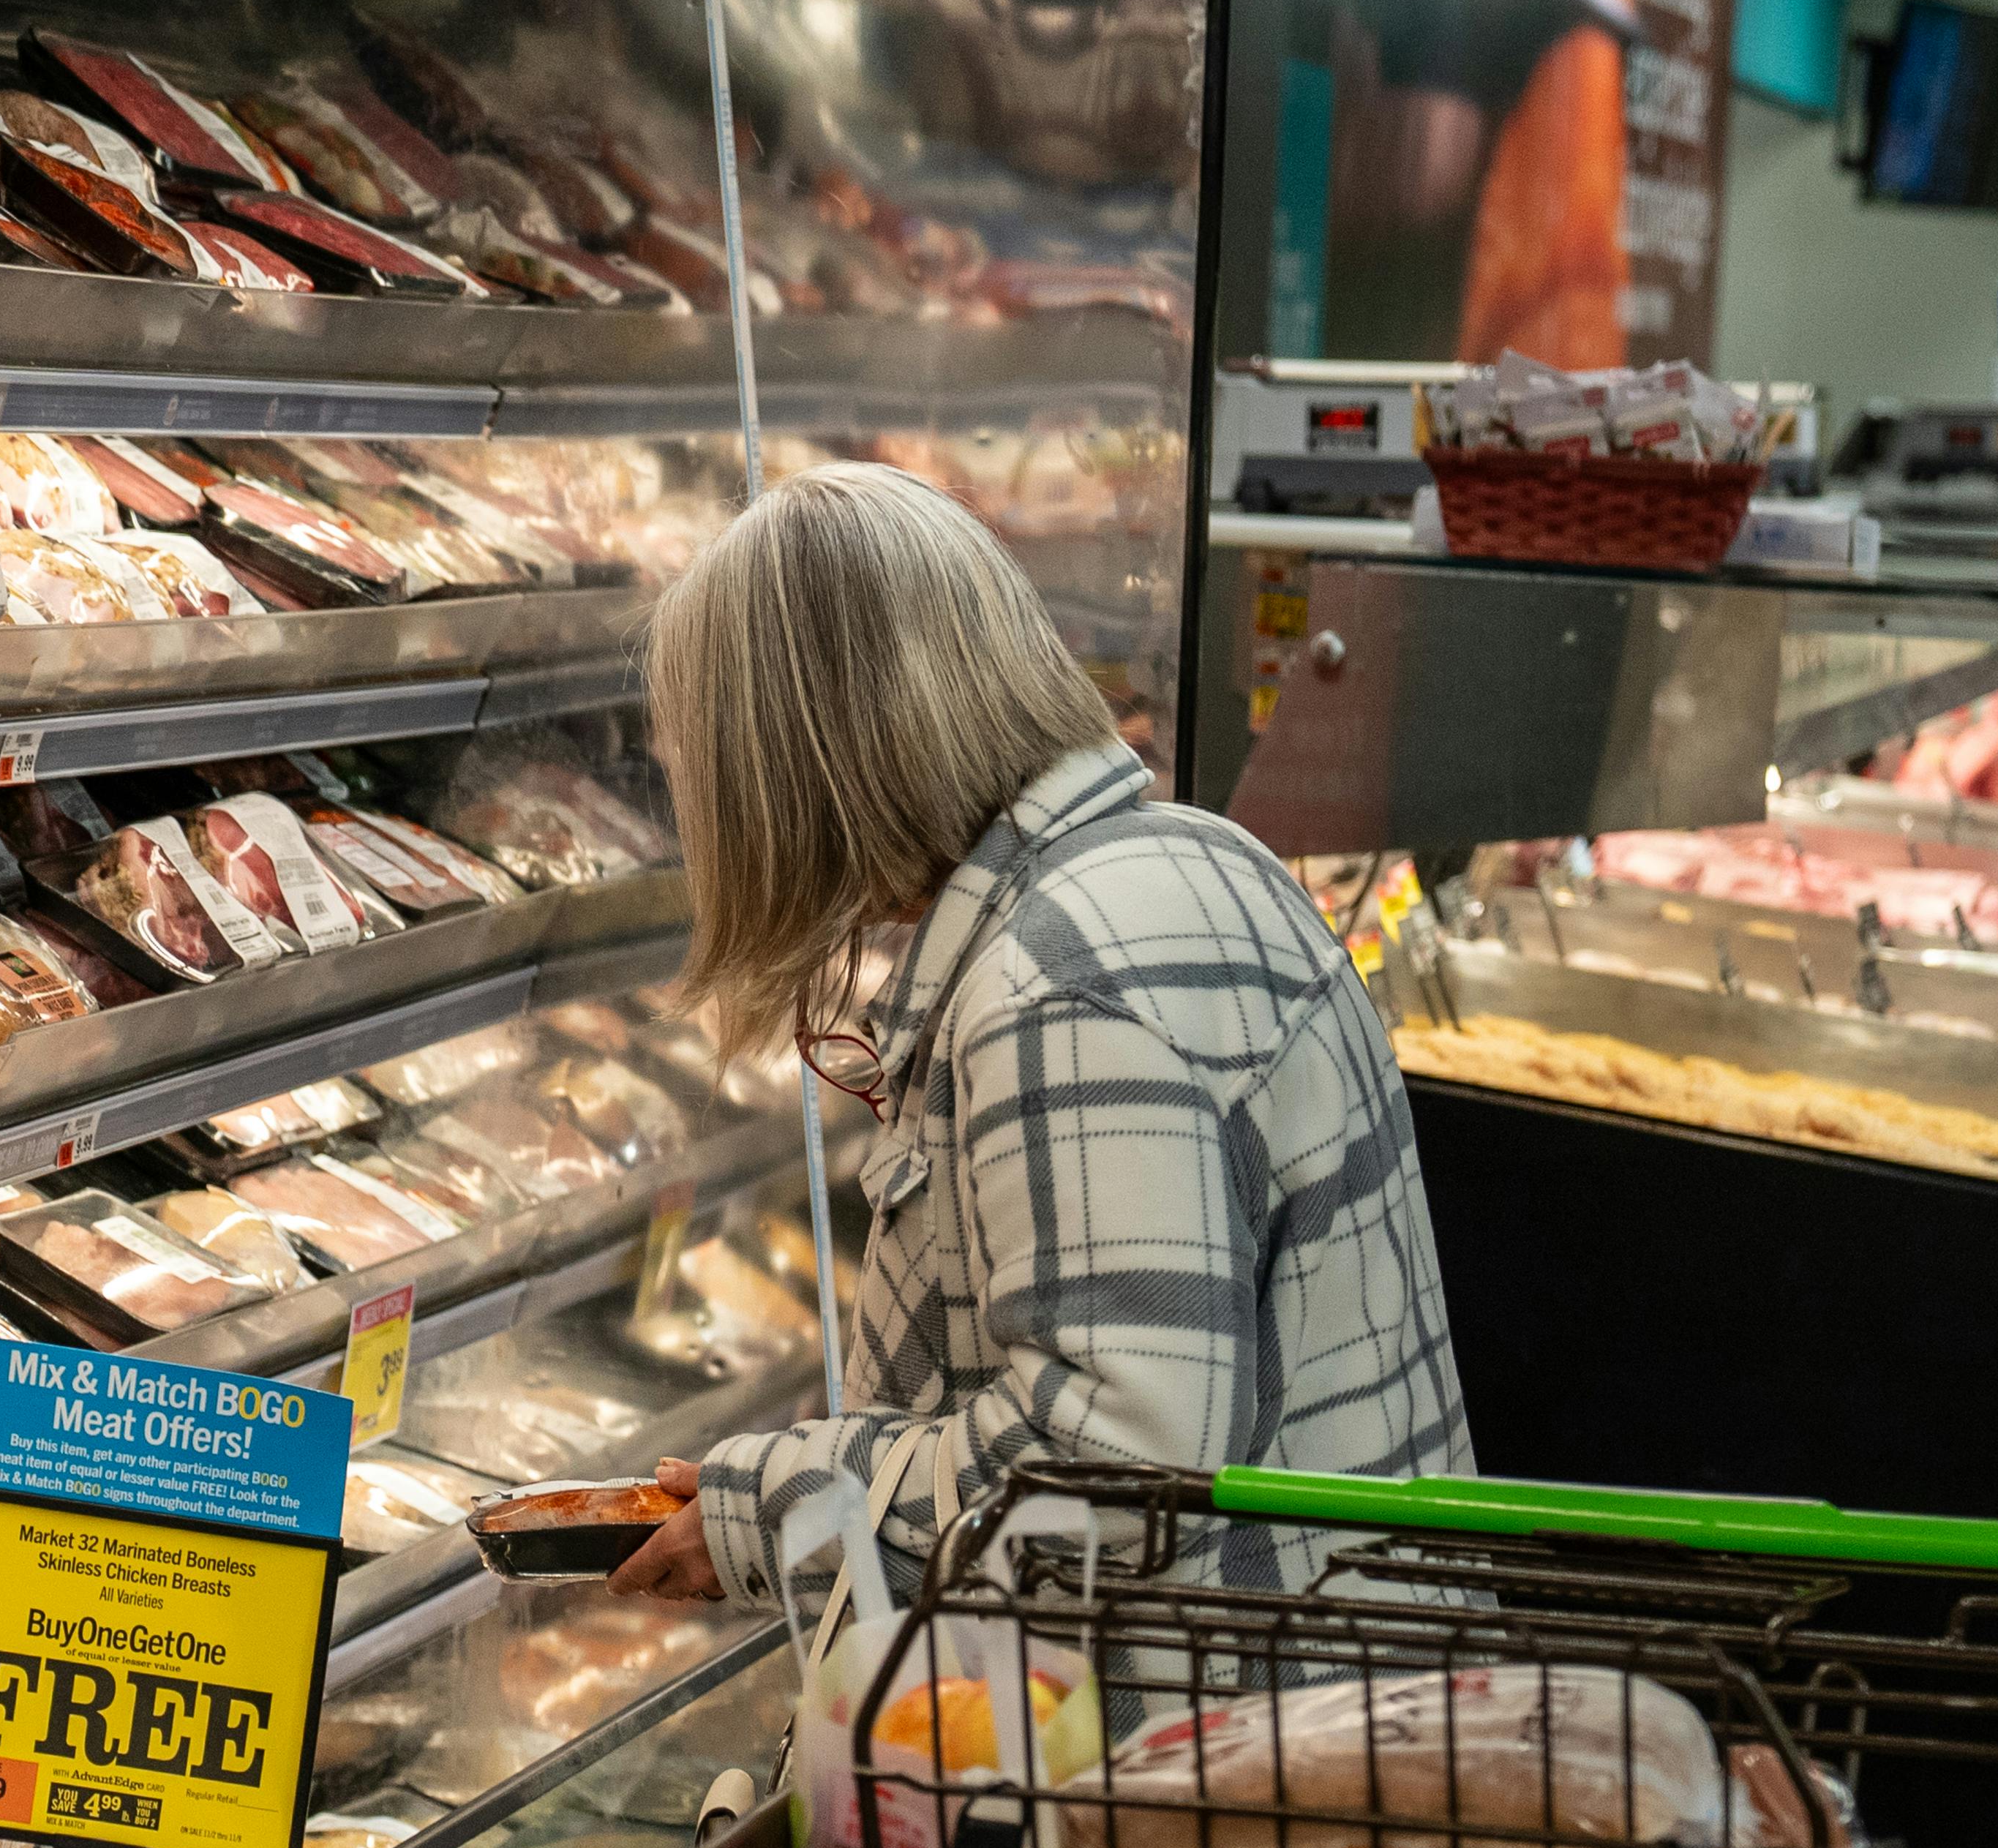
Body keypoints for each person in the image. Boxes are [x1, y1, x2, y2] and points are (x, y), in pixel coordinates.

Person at [609, 462, 1470, 1613]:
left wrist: (776, 1507)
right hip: (1344, 1664)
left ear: (806, 768)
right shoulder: (1193, 855)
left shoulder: (1060, 986)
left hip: (1225, 1705)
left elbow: (1111, 1469)